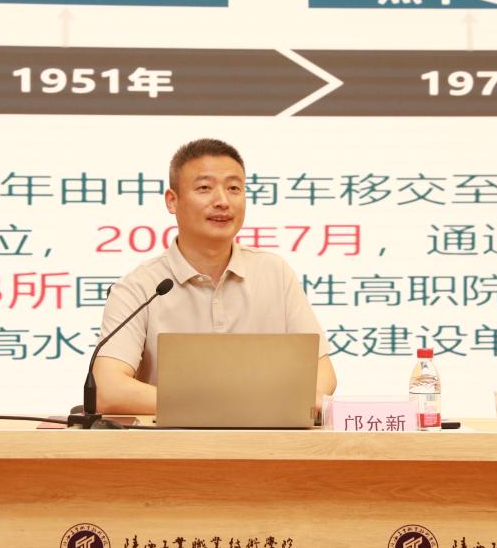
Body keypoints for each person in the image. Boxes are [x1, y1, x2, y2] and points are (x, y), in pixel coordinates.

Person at [93, 139, 337, 415]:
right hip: (172, 441)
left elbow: (323, 374)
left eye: (234, 188)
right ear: (172, 200)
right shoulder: (141, 287)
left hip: (264, 439)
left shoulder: (275, 273)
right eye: (204, 188)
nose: (222, 201)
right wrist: (230, 406)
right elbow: (107, 390)